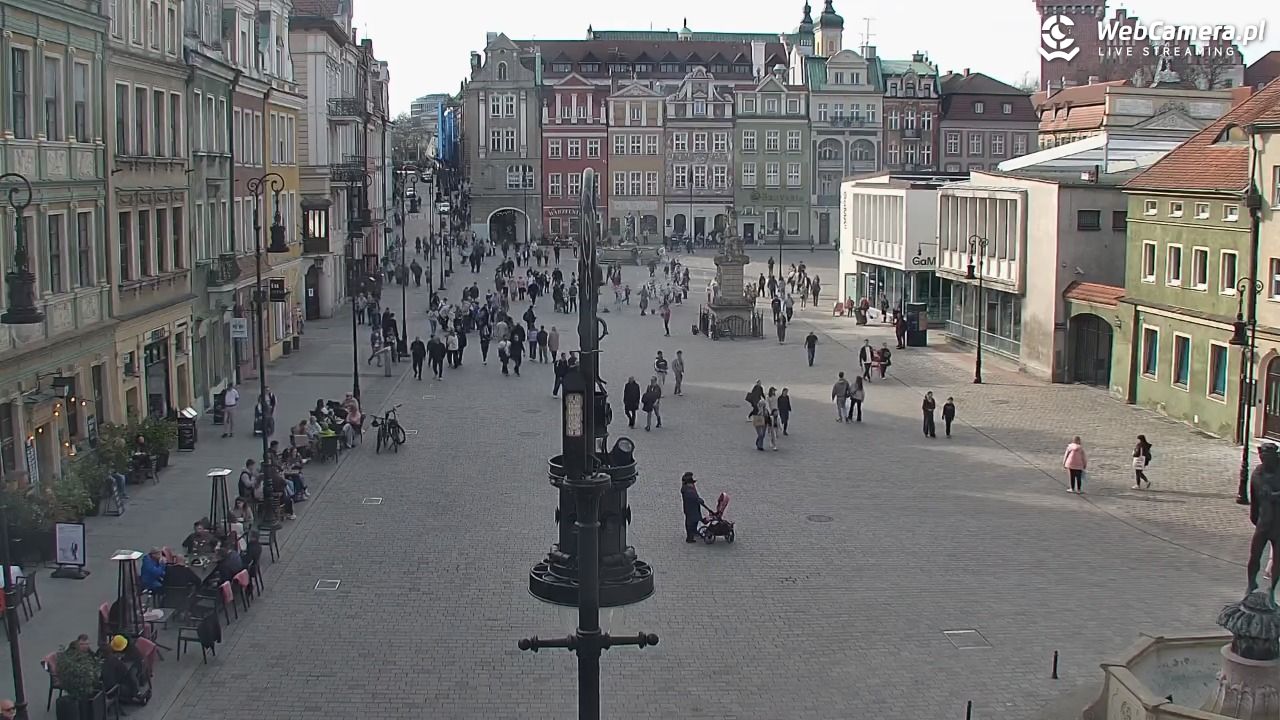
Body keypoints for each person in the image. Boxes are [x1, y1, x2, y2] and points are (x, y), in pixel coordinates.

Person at [681, 472, 704, 543]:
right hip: (690, 508)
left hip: (692, 507)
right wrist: (699, 500)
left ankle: (694, 531)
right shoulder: (688, 490)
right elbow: (694, 498)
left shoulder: (687, 487)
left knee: (695, 520)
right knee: (691, 522)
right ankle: (689, 538)